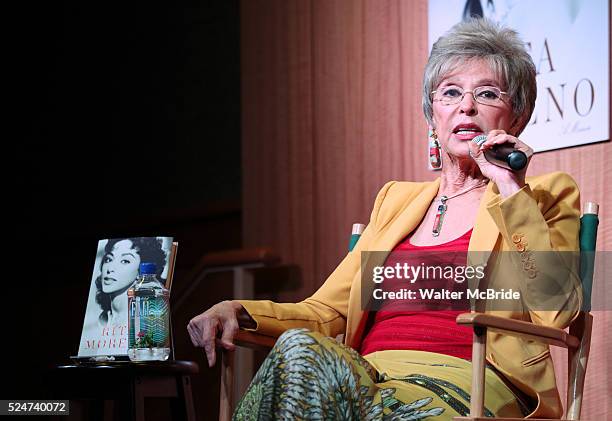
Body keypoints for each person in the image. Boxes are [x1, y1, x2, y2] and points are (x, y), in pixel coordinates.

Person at [188, 19, 582, 420]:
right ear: (433, 117)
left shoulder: (544, 197)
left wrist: (509, 187)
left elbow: (556, 309)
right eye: (450, 93)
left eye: (487, 94)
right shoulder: (396, 200)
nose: (466, 106)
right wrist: (238, 310)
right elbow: (328, 313)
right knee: (299, 355)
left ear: (516, 118)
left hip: (468, 386)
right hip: (367, 378)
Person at [93, 237, 167, 327]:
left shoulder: (145, 323)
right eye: (109, 259)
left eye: (125, 261)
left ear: (141, 271)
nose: (110, 269)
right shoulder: (102, 320)